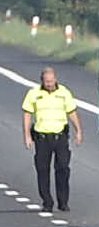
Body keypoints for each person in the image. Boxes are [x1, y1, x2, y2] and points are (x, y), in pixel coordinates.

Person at [22, 67, 83, 212]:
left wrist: (79, 131)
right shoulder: (34, 94)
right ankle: (47, 201)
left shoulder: (64, 93)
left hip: (60, 137)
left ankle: (63, 201)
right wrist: (27, 136)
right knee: (42, 170)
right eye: (46, 81)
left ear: (55, 79)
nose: (49, 84)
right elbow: (27, 115)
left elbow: (72, 112)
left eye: (51, 81)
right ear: (42, 81)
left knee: (63, 167)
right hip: (42, 138)